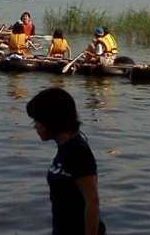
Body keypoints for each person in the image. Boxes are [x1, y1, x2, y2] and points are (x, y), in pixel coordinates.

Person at [26, 88, 106, 235]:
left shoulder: (78, 151)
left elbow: (92, 202)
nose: (34, 125)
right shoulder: (64, 147)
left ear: (52, 120)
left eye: (37, 120)